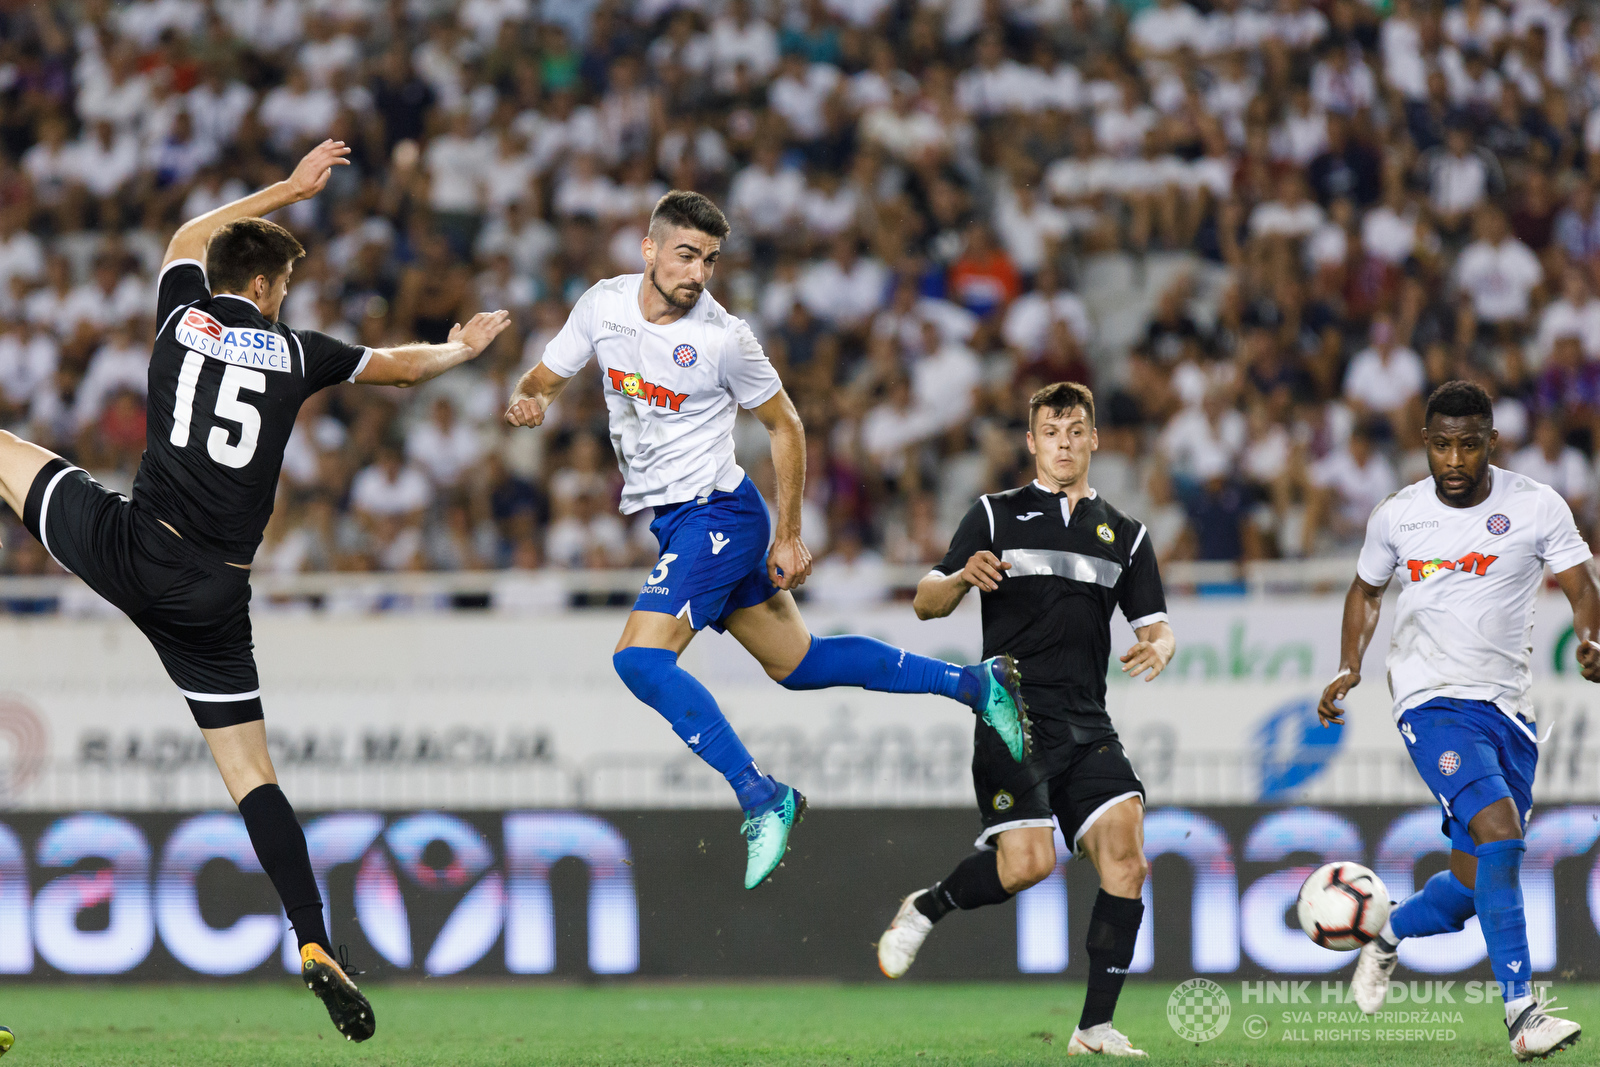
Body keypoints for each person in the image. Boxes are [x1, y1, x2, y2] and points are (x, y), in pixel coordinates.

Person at [0, 140, 512, 1042]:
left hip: (130, 545)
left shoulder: (178, 318)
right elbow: (396, 366)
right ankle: (313, 939)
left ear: (222, 275)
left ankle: (317, 942)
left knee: (7, 455)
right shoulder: (293, 350)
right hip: (213, 598)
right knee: (252, 779)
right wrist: (460, 348)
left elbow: (187, 234)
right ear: (272, 286)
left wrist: (288, 188)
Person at [504, 190, 1029, 890]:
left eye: (711, 260)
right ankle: (974, 684)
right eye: (686, 255)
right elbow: (543, 376)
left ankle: (761, 796)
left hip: (719, 515)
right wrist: (531, 397)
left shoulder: (724, 337)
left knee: (638, 662)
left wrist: (790, 534)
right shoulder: (601, 306)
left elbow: (787, 425)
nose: (698, 273)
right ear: (649, 250)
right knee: (799, 663)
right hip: (679, 521)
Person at [875, 381, 1176, 1059]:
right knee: (1028, 864)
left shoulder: (1125, 536)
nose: (1064, 444)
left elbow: (1159, 626)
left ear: (1094, 439)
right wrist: (958, 578)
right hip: (1011, 712)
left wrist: (1158, 646)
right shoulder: (993, 513)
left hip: (1087, 719)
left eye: (1076, 432)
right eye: (1051, 432)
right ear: (1032, 441)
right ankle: (930, 904)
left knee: (1127, 859)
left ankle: (1094, 1027)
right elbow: (925, 600)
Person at [1321, 381, 1597, 1061]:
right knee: (1500, 830)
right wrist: (1350, 663)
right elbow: (1366, 588)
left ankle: (1385, 934)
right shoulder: (1398, 515)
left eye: (1468, 443)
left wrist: (1591, 636)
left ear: (1490, 442)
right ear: (1425, 442)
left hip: (1509, 712)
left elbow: (1581, 585)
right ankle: (1522, 1013)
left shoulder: (1536, 505)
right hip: (1429, 701)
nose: (1454, 457)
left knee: (1472, 888)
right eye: (1441, 443)